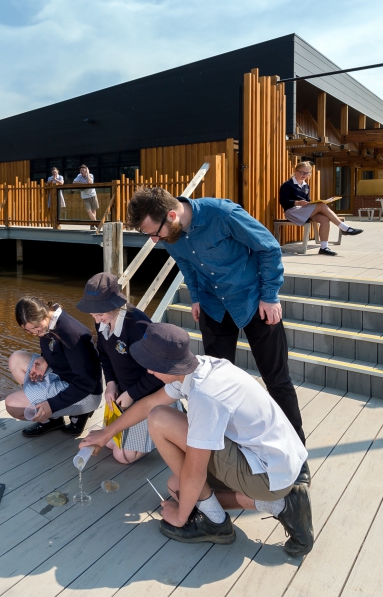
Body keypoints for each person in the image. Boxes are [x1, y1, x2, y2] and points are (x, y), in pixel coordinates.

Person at [81, 323, 313, 556]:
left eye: (151, 366)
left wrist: (180, 517)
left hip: (267, 475)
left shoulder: (204, 395)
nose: (149, 372)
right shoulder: (198, 367)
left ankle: (215, 524)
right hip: (277, 462)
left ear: (169, 366)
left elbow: (195, 471)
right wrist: (106, 433)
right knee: (177, 488)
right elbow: (149, 403)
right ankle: (283, 505)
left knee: (160, 420)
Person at [126, 186, 308, 454]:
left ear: (172, 215)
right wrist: (196, 297)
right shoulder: (170, 233)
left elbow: (268, 248)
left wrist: (270, 296)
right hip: (213, 307)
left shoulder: (223, 213)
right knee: (216, 384)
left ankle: (296, 451)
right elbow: (187, 265)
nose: (154, 240)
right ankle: (230, 449)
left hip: (254, 301)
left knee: (277, 380)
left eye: (155, 233)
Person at [76, 272, 166, 463]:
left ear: (115, 306)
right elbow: (105, 355)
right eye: (93, 315)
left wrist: (132, 393)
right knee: (109, 443)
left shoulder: (138, 326)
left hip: (152, 395)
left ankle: (165, 431)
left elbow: (157, 373)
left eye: (100, 314)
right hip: (126, 393)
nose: (97, 320)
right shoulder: (103, 321)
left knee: (123, 456)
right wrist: (111, 383)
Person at [5, 297, 103, 437]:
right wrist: (45, 358)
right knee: (16, 359)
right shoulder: (48, 322)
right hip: (64, 375)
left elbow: (87, 382)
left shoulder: (70, 332)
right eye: (28, 330)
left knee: (12, 405)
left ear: (43, 314)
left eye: (35, 327)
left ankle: (71, 413)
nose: (34, 332)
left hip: (86, 393)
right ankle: (53, 421)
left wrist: (52, 405)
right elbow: (58, 347)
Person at [279, 161, 362, 256]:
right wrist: (297, 202)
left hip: (304, 210)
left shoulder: (306, 185)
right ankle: (344, 228)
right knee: (321, 205)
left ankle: (324, 247)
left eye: (307, 173)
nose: (304, 175)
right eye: (302, 172)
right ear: (295, 171)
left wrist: (309, 203)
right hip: (292, 211)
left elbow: (307, 200)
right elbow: (283, 201)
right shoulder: (287, 185)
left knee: (325, 219)